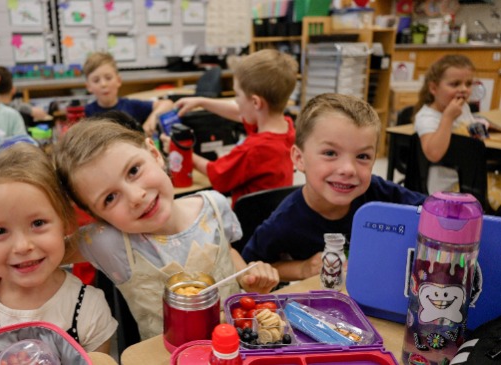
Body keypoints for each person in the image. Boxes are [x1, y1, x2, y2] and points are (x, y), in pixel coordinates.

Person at [0, 119, 279, 344]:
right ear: (96, 216)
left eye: (133, 170)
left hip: (243, 345)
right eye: (110, 198)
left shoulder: (216, 205)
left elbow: (228, 253)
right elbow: (34, 250)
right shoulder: (107, 241)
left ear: (154, 152)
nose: (136, 197)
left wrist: (246, 273)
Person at [0, 143, 117, 353]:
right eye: (0, 231)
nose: (22, 246)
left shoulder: (88, 309)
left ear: (66, 221)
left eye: (38, 223)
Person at [241, 93, 427, 282]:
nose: (348, 169)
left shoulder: (379, 192)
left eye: (362, 156)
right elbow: (249, 267)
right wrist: (302, 268)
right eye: (330, 153)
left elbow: (434, 210)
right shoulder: (284, 221)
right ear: (299, 159)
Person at [174, 49, 297, 205]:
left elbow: (216, 174)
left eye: (237, 95)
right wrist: (201, 102)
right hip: (272, 219)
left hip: (246, 225)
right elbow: (241, 113)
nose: (236, 101)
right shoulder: (286, 128)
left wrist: (182, 152)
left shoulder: (254, 149)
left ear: (256, 102)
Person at [413, 54, 486, 194]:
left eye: (468, 83)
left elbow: (477, 138)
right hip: (446, 189)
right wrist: (448, 117)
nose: (464, 89)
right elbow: (434, 154)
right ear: (434, 88)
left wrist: (483, 128)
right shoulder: (427, 117)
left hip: (470, 178)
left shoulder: (463, 108)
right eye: (455, 84)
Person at [82, 52, 174, 136]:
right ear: (88, 86)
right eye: (96, 80)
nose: (103, 84)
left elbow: (167, 103)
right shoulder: (85, 113)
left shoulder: (131, 105)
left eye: (108, 78)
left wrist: (152, 118)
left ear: (118, 80)